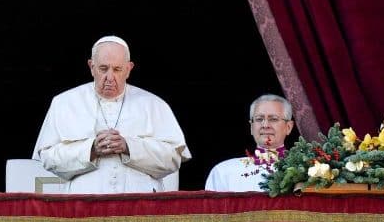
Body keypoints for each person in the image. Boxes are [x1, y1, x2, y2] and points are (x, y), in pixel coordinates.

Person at [32, 35, 190, 193]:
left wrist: (129, 147)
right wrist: (91, 149)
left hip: (140, 207)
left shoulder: (154, 105)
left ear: (128, 69)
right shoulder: (64, 103)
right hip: (83, 205)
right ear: (91, 67)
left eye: (117, 69)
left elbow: (173, 159)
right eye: (103, 69)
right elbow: (48, 158)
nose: (110, 77)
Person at [205, 94, 294, 192]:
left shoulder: (309, 170)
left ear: (288, 127)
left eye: (273, 119)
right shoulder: (224, 171)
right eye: (259, 119)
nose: (265, 125)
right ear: (251, 127)